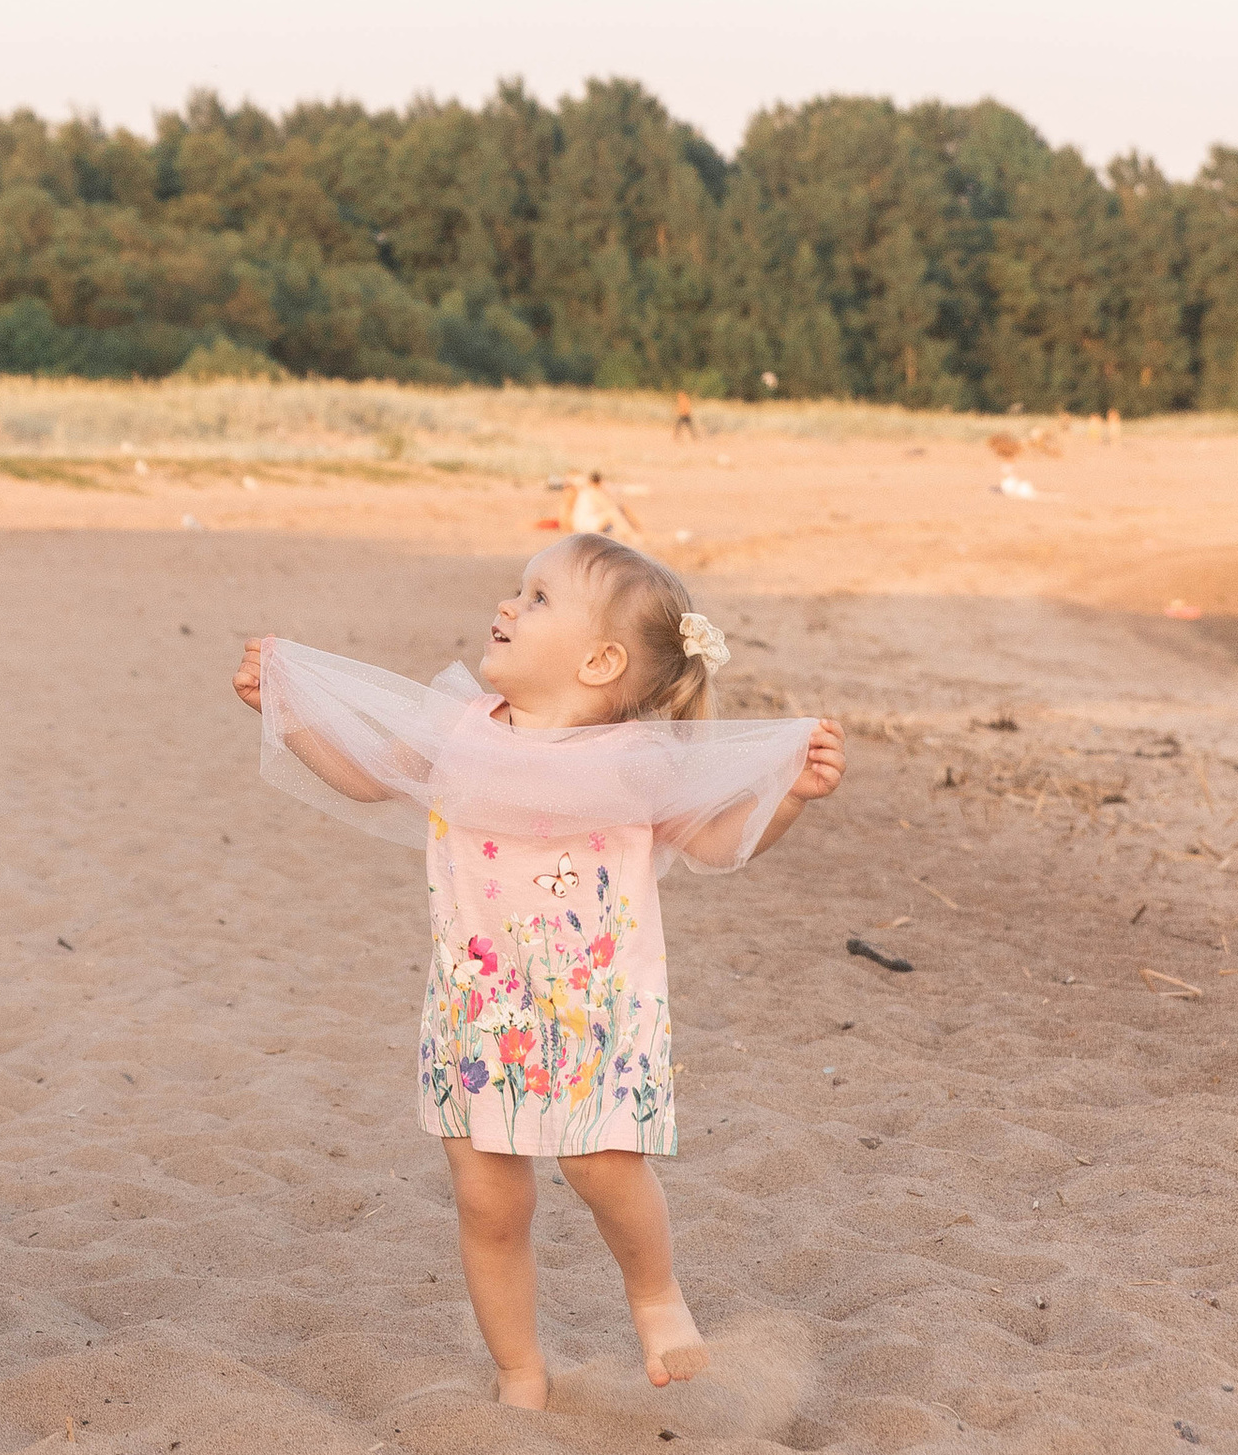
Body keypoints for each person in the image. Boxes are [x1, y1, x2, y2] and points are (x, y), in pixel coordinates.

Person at [233, 540, 842, 1410]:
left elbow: (714, 843)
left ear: (600, 662)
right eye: (518, 590)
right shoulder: (460, 728)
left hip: (597, 1010)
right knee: (487, 1200)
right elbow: (366, 777)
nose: (508, 606)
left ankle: (655, 1295)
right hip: (478, 1008)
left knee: (602, 1167)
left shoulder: (634, 758)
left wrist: (789, 797)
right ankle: (520, 1370)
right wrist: (287, 711)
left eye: (539, 598)